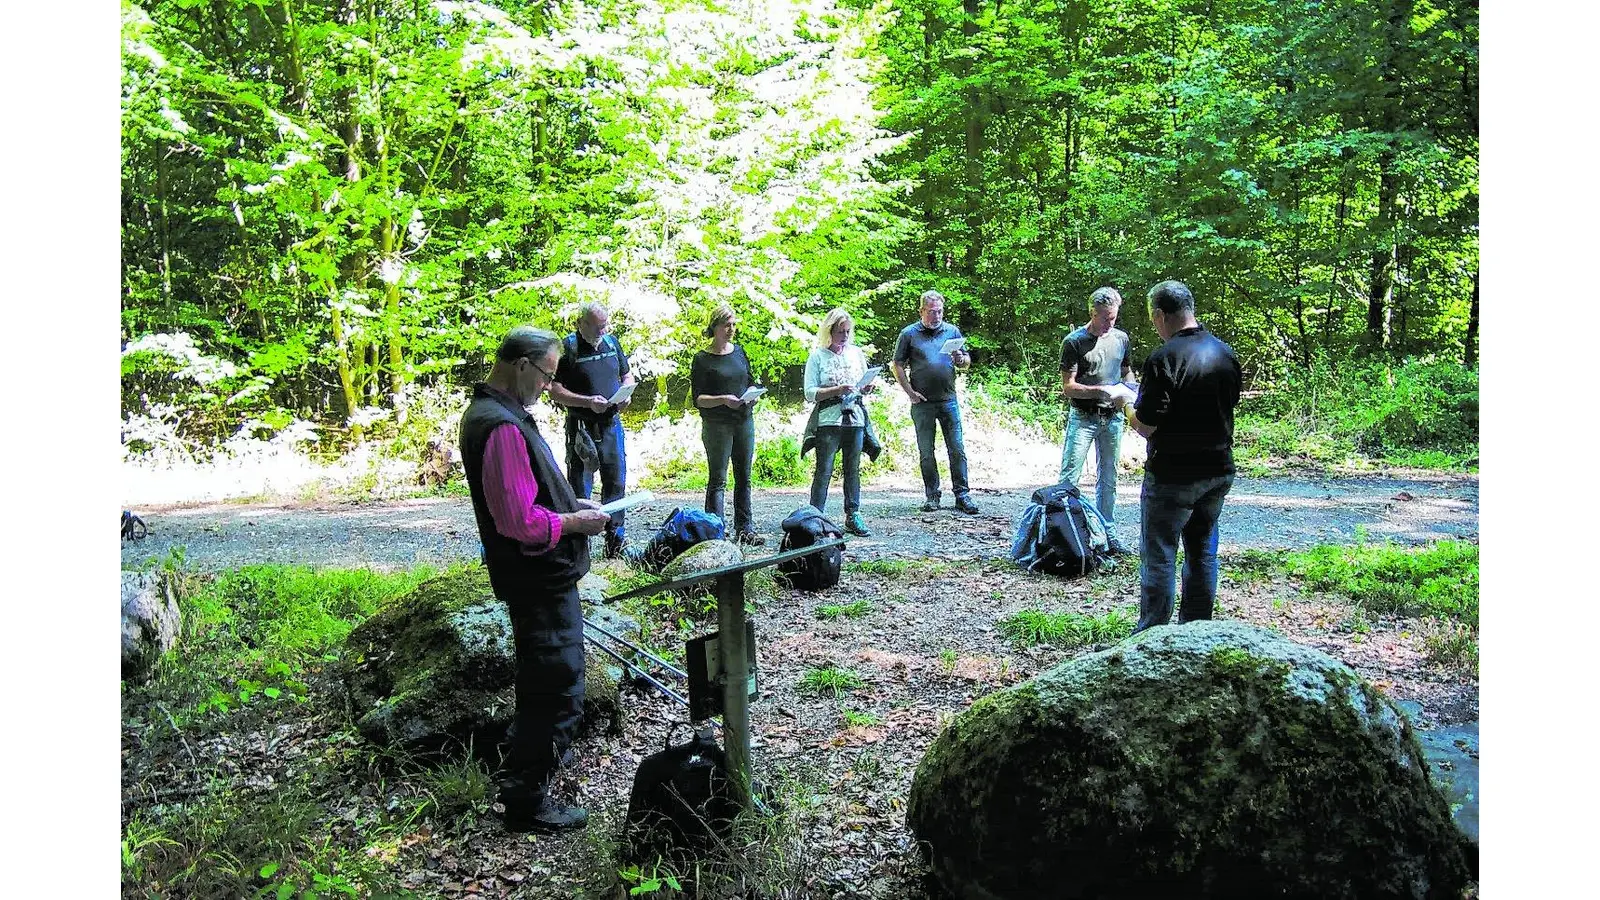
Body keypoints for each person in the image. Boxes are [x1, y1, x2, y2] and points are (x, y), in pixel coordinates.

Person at [458, 326, 613, 832]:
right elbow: (519, 522)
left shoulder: (501, 416)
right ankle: (525, 797)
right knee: (555, 685)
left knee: (545, 680)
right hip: (537, 579)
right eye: (547, 375)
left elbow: (530, 494)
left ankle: (526, 777)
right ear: (521, 365)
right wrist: (573, 522)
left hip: (538, 577)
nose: (550, 386)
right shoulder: (499, 425)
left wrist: (573, 503)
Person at [1126, 281, 1242, 633]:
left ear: (1161, 315)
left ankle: (1153, 634)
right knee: (1203, 550)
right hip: (1218, 469)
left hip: (1173, 474)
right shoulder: (1224, 353)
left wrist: (1126, 406)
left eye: (1153, 319)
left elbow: (1145, 425)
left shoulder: (1164, 358)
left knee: (1160, 554)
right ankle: (1196, 631)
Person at [548, 301, 635, 558]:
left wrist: (626, 393)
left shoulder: (612, 343)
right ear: (581, 324)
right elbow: (554, 390)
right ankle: (579, 545)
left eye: (604, 325)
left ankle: (615, 542)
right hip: (581, 427)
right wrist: (587, 402)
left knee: (616, 481)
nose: (602, 330)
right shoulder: (568, 348)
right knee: (580, 485)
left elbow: (626, 374)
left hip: (611, 423)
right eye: (597, 326)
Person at [1058, 287, 1136, 557]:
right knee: (1069, 477)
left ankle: (1107, 532)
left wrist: (1128, 391)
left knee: (1109, 477)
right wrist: (1098, 391)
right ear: (1092, 313)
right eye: (1104, 318)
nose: (1109, 324)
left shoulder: (1121, 339)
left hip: (1112, 417)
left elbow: (1126, 372)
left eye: (1113, 318)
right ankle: (1065, 532)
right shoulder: (1074, 342)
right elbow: (1068, 387)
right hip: (1083, 416)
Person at [892, 290, 979, 515]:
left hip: (949, 399)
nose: (936, 316)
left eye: (939, 311)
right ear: (922, 311)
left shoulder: (951, 331)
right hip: (922, 402)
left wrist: (962, 359)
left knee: (957, 448)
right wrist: (909, 392)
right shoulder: (909, 334)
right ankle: (932, 495)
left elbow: (966, 362)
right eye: (931, 312)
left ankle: (962, 494)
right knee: (926, 451)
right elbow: (897, 364)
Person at [690, 304, 765, 545]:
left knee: (744, 477)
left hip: (744, 420)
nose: (731, 329)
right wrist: (723, 400)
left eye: (734, 325)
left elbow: (750, 381)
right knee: (718, 479)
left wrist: (752, 393)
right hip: (716, 425)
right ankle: (715, 530)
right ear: (715, 327)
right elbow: (698, 399)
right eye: (726, 325)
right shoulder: (702, 359)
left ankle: (745, 529)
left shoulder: (739, 352)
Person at [802, 308, 877, 536]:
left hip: (854, 418)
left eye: (847, 331)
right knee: (824, 469)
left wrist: (866, 387)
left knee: (852, 469)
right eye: (840, 331)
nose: (844, 336)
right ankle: (815, 517)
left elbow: (863, 384)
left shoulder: (855, 354)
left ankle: (853, 514)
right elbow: (809, 392)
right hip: (828, 420)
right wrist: (836, 389)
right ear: (830, 331)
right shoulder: (818, 356)